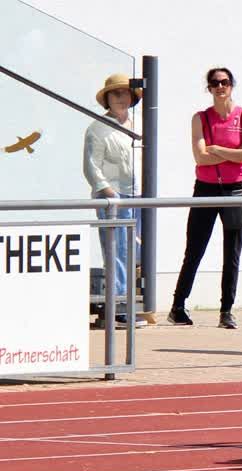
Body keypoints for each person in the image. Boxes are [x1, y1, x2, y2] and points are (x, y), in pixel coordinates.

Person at [168, 67, 242, 329]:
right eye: (215, 83)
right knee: (194, 249)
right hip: (206, 188)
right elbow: (200, 157)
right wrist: (233, 153)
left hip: (236, 189)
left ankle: (226, 310)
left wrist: (216, 149)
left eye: (224, 82)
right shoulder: (200, 118)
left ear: (232, 85)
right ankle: (178, 306)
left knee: (232, 253)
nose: (220, 87)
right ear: (209, 88)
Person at [83, 73, 147, 328]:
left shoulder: (139, 124)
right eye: (116, 93)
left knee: (137, 251)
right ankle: (118, 307)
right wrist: (110, 195)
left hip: (140, 196)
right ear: (107, 98)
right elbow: (92, 168)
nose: (121, 98)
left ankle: (133, 302)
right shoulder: (97, 128)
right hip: (114, 197)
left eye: (125, 93)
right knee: (117, 250)